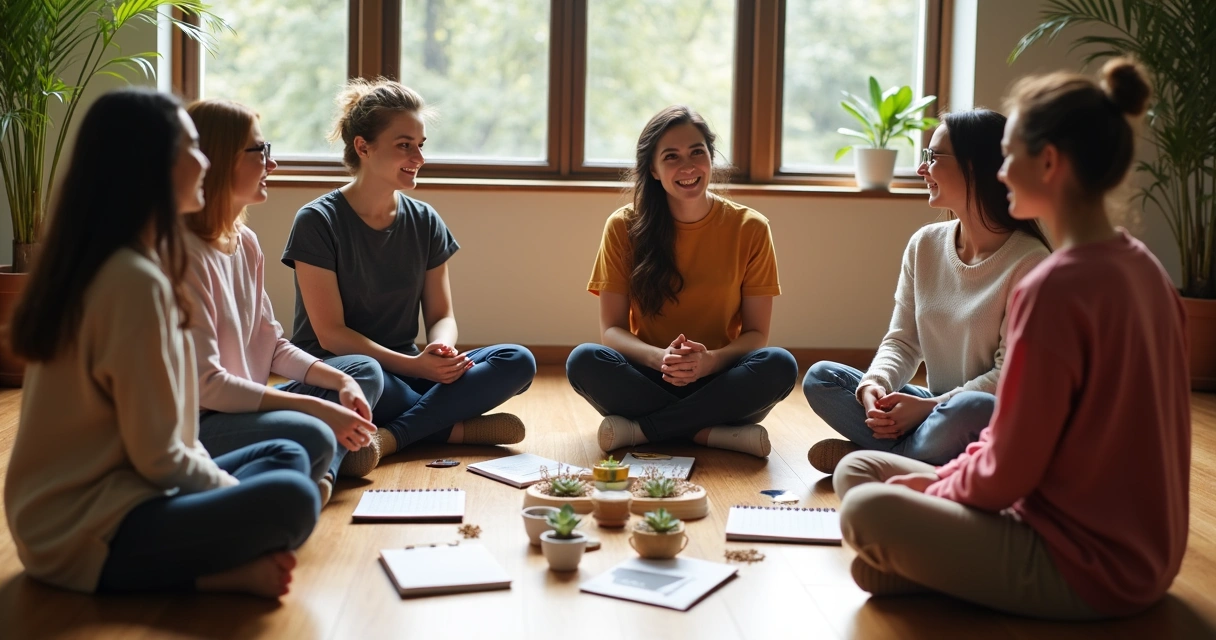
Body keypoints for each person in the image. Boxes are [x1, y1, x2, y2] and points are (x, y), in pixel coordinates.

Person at [834, 58, 1190, 620]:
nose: (999, 173)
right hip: (1141, 551)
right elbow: (1023, 446)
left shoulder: (1050, 285)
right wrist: (942, 485)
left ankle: (927, 558)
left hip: (1084, 562)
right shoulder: (1145, 268)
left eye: (1009, 157)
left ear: (1048, 163)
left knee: (866, 512)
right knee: (858, 472)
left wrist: (930, 497)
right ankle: (928, 558)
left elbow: (1007, 472)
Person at [4, 88, 317, 598]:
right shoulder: (132, 279)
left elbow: (166, 446)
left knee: (286, 454)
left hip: (128, 492)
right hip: (80, 528)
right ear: (151, 164)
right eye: (193, 148)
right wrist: (237, 496)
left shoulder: (135, 260)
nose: (204, 162)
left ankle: (208, 569)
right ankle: (196, 575)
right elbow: (163, 457)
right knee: (290, 499)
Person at [282, 79, 536, 466]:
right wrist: (415, 366)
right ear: (363, 147)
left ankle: (391, 437)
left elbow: (441, 316)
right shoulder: (317, 221)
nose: (419, 157)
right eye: (405, 145)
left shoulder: (425, 221)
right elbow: (330, 335)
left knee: (517, 360)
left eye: (421, 145)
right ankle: (453, 429)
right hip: (344, 371)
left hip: (408, 367)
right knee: (373, 378)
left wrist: (442, 349)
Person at [803, 109, 1050, 474]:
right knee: (822, 377)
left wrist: (927, 409)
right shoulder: (925, 245)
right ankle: (918, 463)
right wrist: (876, 386)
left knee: (974, 408)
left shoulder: (1030, 262)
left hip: (979, 415)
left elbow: (1006, 376)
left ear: (975, 166)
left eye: (932, 158)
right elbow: (903, 341)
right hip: (935, 410)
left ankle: (880, 461)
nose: (922, 169)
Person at [566, 105, 798, 458]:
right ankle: (710, 433)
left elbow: (756, 335)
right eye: (671, 157)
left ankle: (646, 431)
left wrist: (710, 362)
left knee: (780, 364)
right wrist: (661, 360)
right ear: (654, 171)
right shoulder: (623, 226)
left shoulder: (751, 228)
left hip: (720, 378)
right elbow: (611, 331)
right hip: (648, 375)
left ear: (711, 158)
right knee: (583, 360)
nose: (687, 166)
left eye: (697, 152)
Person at [184, 100, 384, 506]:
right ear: (218, 160)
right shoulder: (183, 257)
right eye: (260, 152)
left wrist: (341, 383)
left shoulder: (247, 243)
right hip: (203, 423)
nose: (271, 165)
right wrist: (317, 409)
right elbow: (209, 386)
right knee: (312, 431)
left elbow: (271, 345)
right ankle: (319, 467)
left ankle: (318, 471)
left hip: (247, 407)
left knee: (363, 370)